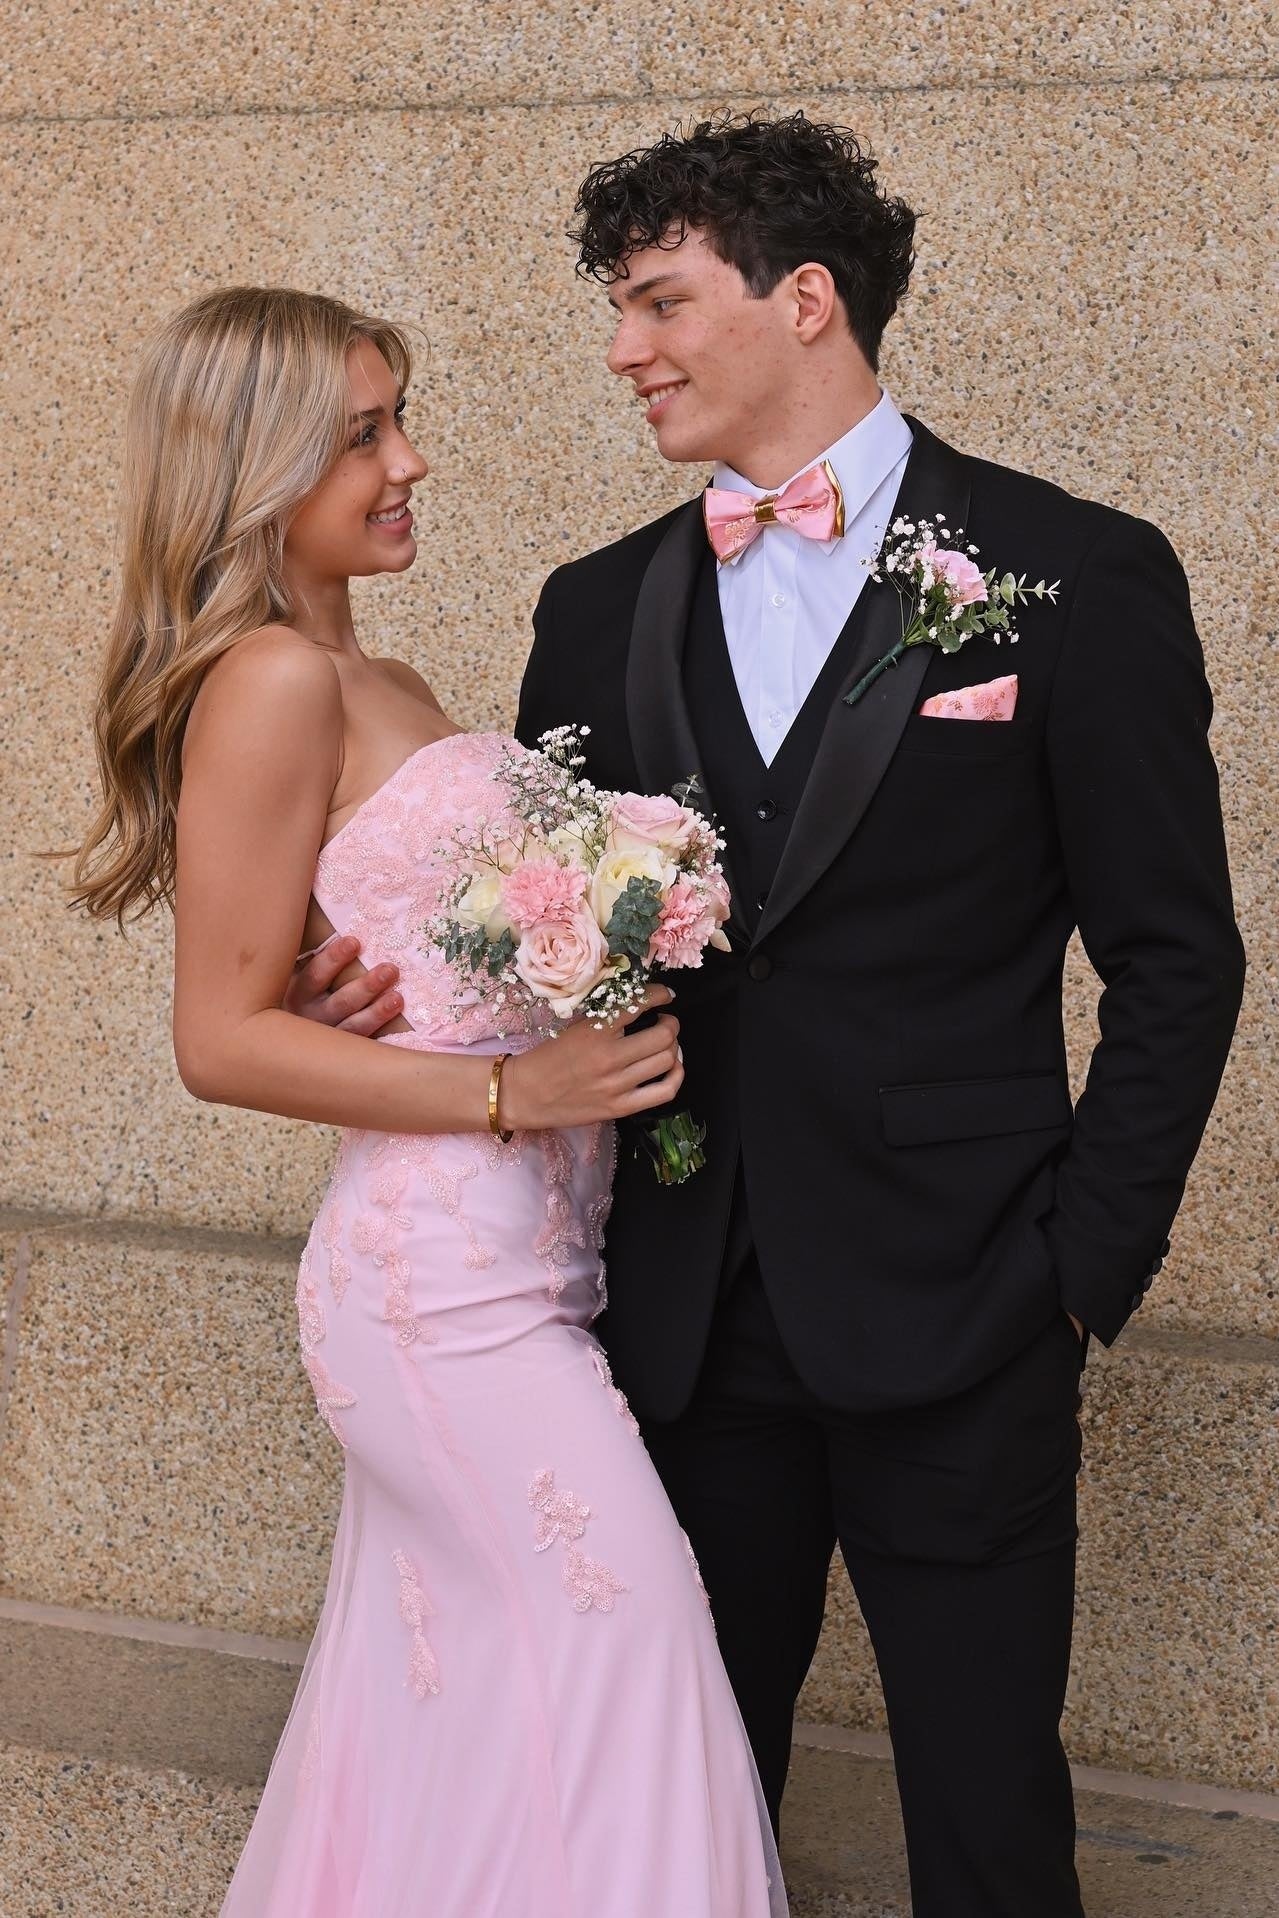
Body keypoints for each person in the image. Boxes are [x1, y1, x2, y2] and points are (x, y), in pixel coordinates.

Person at [293, 113, 1246, 1917]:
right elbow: (543, 931)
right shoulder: (593, 609)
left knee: (988, 1821)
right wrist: (369, 984)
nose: (623, 347)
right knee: (663, 1825)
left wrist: (1078, 1268)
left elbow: (1179, 959)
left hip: (969, 1302)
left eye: (659, 301)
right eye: (620, 307)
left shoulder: (1074, 573)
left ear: (805, 299)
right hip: (674, 1316)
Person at [73, 284, 786, 1917]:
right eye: (362, 436)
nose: (410, 462)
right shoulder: (272, 679)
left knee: (493, 1736)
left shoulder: (371, 668)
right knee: (633, 1673)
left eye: (400, 418)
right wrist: (515, 1086)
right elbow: (219, 1039)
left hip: (535, 1268)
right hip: (440, 1293)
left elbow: (383, 952)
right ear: (256, 469)